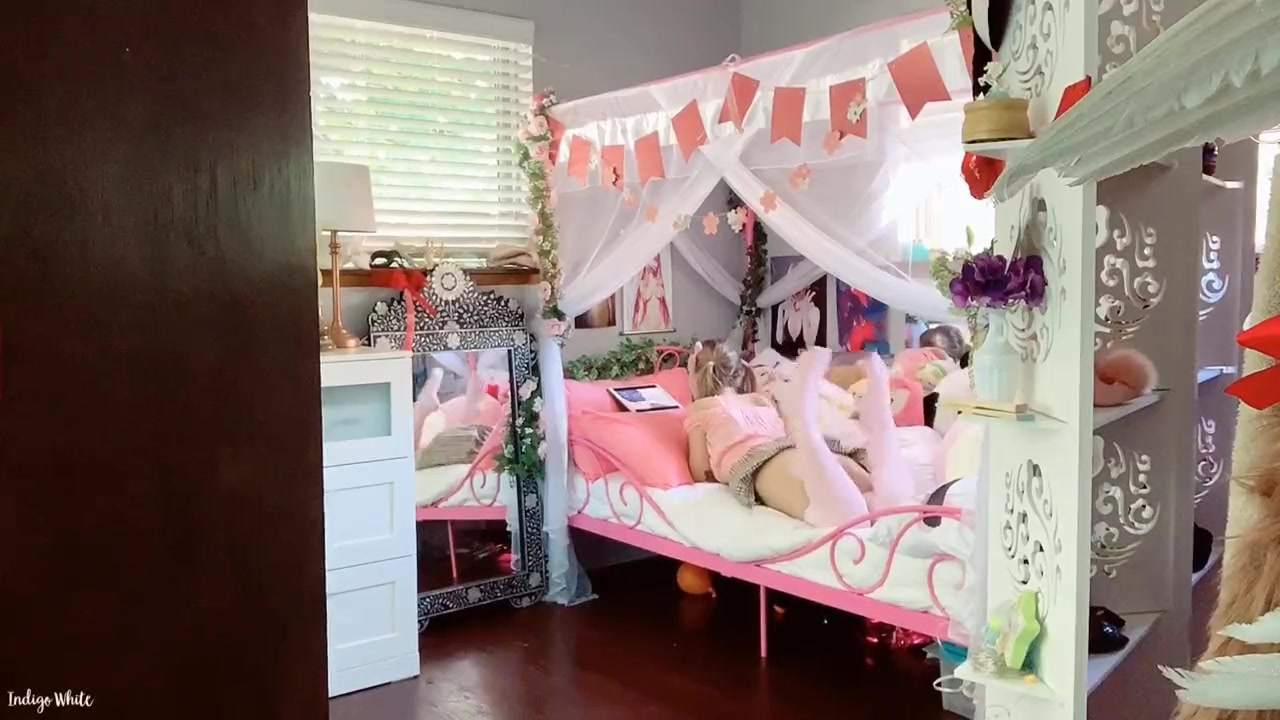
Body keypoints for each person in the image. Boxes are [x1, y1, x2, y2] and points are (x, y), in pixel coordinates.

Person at [683, 342, 913, 527]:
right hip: (793, 447)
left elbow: (701, 471)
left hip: (761, 464)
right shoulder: (760, 399)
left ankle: (806, 421)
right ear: (739, 373)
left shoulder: (700, 408)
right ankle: (878, 421)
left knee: (844, 519)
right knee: (881, 501)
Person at [631, 255, 671, 332]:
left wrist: (655, 285)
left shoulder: (659, 281)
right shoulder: (643, 282)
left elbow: (660, 293)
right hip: (646, 318)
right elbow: (646, 295)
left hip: (658, 317)